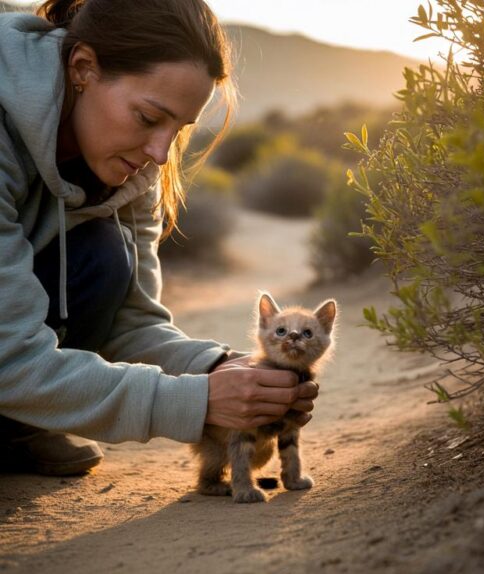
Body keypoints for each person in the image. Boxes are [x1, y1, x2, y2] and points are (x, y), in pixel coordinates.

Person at [0, 0, 318, 476]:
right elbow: (9, 356)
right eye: (149, 118)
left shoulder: (132, 169)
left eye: (178, 129)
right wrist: (197, 401)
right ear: (83, 67)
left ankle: (14, 425)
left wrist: (221, 371)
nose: (161, 154)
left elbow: (128, 325)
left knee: (104, 256)